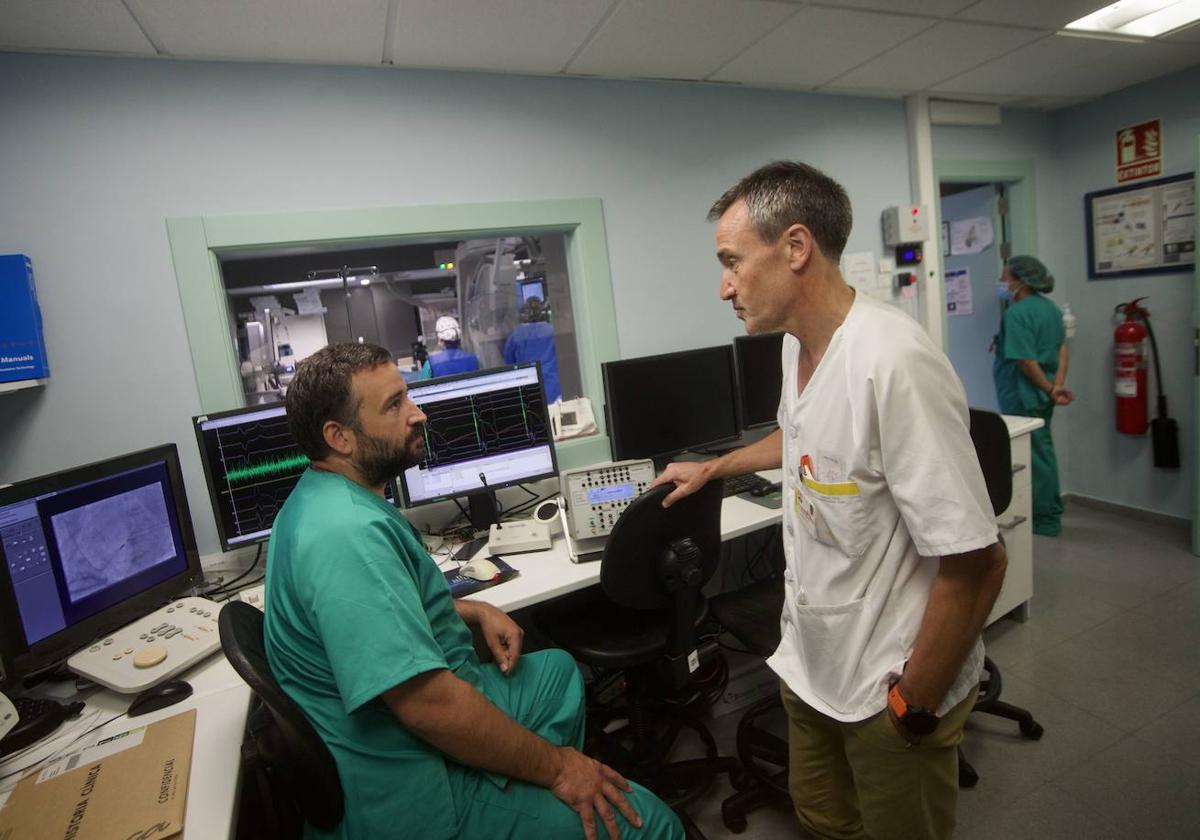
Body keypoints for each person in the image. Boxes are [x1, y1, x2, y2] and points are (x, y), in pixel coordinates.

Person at [651, 162, 1007, 840]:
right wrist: (716, 466)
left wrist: (915, 703)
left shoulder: (892, 362)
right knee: (822, 819)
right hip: (811, 665)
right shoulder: (798, 346)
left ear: (794, 248)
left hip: (886, 683)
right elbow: (799, 435)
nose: (724, 286)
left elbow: (978, 562)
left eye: (732, 261)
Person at [265, 342, 682, 840]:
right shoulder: (347, 536)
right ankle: (535, 789)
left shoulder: (326, 499)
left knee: (558, 675)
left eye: (408, 396)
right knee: (653, 825)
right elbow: (429, 706)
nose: (418, 414)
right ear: (340, 437)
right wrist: (559, 768)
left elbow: (382, 608)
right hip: (411, 778)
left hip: (410, 720)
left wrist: (469, 607)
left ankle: (526, 789)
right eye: (394, 405)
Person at [992, 255, 1073, 537]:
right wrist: (1056, 385)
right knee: (1044, 450)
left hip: (1025, 395)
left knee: (1036, 455)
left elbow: (1025, 361)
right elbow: (1061, 348)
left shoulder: (1017, 314)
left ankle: (1045, 519)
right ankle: (1048, 514)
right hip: (1043, 392)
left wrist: (1049, 388)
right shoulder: (1049, 310)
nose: (1002, 283)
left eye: (1005, 277)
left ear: (1020, 281)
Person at [504, 297, 562, 401]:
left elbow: (509, 360)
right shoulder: (552, 331)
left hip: (528, 383)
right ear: (541, 311)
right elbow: (562, 356)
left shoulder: (516, 335)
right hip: (552, 385)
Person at [419, 315, 480, 379]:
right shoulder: (473, 359)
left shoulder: (431, 363)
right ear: (459, 339)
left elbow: (420, 387)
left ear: (440, 340)